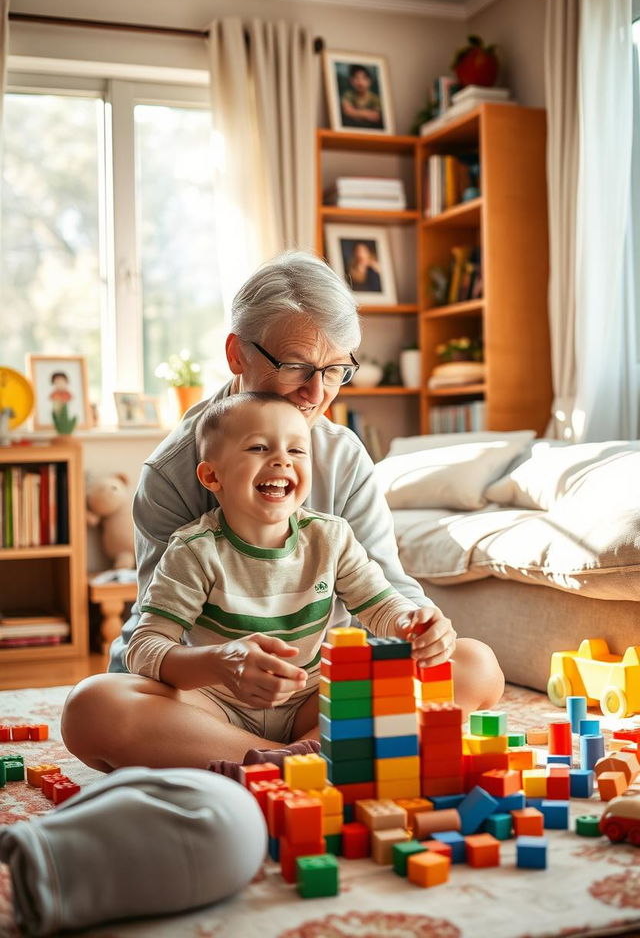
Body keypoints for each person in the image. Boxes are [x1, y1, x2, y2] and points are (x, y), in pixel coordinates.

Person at [62, 250, 504, 773]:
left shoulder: (342, 455)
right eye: (295, 365)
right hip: (210, 697)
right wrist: (222, 665)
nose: (315, 394)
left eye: (336, 370)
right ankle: (317, 763)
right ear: (236, 354)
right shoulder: (173, 472)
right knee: (92, 709)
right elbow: (154, 637)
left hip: (318, 695)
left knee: (474, 665)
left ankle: (284, 762)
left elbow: (387, 592)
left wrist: (422, 629)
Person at [340, 64, 384, 129]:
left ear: (370, 81)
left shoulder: (375, 98)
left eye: (364, 78)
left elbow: (376, 116)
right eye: (356, 78)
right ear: (351, 81)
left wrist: (355, 113)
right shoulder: (348, 95)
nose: (360, 82)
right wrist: (367, 114)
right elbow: (347, 111)